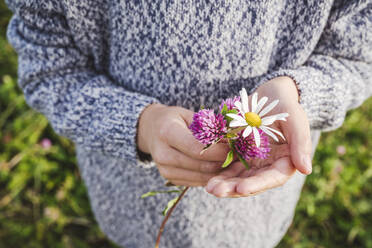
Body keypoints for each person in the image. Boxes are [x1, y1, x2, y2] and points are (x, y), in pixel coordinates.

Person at [5, 0, 372, 247]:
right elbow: (50, 70)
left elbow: (356, 54)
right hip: (128, 200)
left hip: (256, 208)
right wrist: (138, 125)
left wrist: (299, 92)